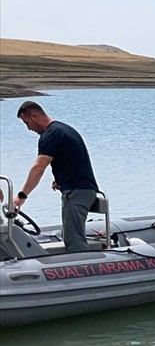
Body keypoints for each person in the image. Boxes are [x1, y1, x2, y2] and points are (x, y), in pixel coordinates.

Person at [12, 101, 99, 253]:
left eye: (27, 123)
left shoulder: (51, 135)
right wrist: (61, 178)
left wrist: (22, 195)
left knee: (74, 240)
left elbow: (39, 167)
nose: (29, 128)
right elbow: (72, 158)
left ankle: (84, 271)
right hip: (80, 189)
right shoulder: (62, 129)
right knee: (68, 235)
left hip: (77, 192)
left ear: (34, 116)